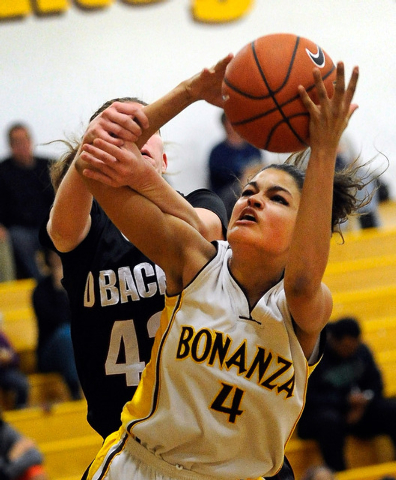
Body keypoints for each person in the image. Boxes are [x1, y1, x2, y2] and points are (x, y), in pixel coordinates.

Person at [76, 62, 367, 480]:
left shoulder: (304, 305)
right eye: (248, 192)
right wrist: (189, 90)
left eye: (277, 199)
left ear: (307, 228)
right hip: (145, 467)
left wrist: (324, 149)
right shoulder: (195, 260)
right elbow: (94, 163)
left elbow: (303, 279)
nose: (254, 200)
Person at [39, 56, 231, 439]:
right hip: (123, 435)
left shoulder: (201, 203)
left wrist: (189, 93)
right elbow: (59, 229)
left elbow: (204, 235)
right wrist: (93, 147)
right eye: (117, 137)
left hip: (200, 425)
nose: (131, 142)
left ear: (162, 159)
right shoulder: (84, 228)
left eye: (144, 137)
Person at [297, 316, 396, 472]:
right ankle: (338, 473)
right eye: (346, 347)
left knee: (391, 408)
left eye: (354, 347)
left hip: (357, 412)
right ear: (333, 341)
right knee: (330, 421)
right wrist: (344, 402)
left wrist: (363, 402)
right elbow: (308, 398)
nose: (350, 352)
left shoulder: (361, 351)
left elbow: (377, 384)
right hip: (322, 416)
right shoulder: (315, 354)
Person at [0, 124, 55, 281]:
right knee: (19, 239)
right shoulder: (3, 171)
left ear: (30, 141)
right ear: (11, 145)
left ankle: (62, 281)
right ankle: (40, 281)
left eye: (24, 140)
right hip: (19, 229)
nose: (22, 145)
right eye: (17, 142)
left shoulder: (49, 166)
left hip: (48, 224)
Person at [32, 248, 82, 401]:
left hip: (76, 345)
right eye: (55, 257)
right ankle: (75, 389)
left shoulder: (78, 284)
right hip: (49, 353)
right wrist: (60, 291)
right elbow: (57, 320)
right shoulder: (40, 290)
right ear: (48, 259)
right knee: (65, 333)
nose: (59, 261)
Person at [208, 111, 265, 217]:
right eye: (230, 122)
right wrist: (244, 174)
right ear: (224, 125)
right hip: (225, 199)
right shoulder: (217, 151)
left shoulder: (253, 149)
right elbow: (219, 177)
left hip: (250, 193)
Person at [0, 414, 48, 480]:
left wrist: (9, 461)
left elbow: (36, 456)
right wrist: (9, 458)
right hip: (8, 472)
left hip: (10, 472)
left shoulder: (5, 429)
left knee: (36, 471)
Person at [0, 326, 29, 410]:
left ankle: (20, 409)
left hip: (4, 372)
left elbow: (15, 358)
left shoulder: (1, 337)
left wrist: (8, 357)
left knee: (22, 383)